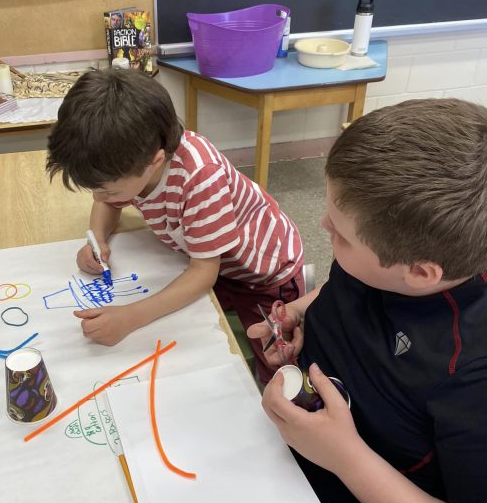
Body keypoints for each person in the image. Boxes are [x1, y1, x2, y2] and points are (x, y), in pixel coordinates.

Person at [248, 98, 487, 503]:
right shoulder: (390, 258)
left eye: (339, 236)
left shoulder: (474, 378)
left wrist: (346, 456)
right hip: (294, 461)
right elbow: (349, 286)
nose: (321, 229)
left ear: (422, 273)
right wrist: (303, 314)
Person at [46, 69, 304, 383]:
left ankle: (287, 400)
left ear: (154, 161)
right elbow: (106, 203)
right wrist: (96, 237)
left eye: (109, 189)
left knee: (275, 358)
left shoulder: (198, 178)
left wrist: (129, 317)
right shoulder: (132, 163)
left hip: (263, 272)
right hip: (211, 261)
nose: (99, 197)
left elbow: (203, 273)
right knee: (185, 331)